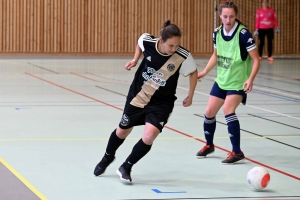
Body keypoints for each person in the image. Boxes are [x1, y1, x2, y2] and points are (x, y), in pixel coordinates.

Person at [93, 20, 198, 183]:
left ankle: (126, 166)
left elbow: (193, 72)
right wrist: (135, 60)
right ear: (161, 40)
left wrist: (190, 95)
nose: (174, 49)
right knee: (122, 131)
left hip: (162, 103)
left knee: (149, 136)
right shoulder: (148, 41)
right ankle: (107, 157)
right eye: (171, 45)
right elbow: (139, 43)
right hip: (138, 96)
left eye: (177, 45)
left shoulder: (182, 55)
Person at [195, 1, 260, 164]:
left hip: (238, 82)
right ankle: (209, 145)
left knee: (228, 110)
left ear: (235, 16)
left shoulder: (244, 34)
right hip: (222, 80)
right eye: (225, 16)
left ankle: (237, 152)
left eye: (231, 16)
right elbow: (215, 55)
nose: (228, 20)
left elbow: (256, 60)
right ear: (220, 16)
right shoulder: (216, 33)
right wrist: (204, 71)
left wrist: (250, 78)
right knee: (209, 112)